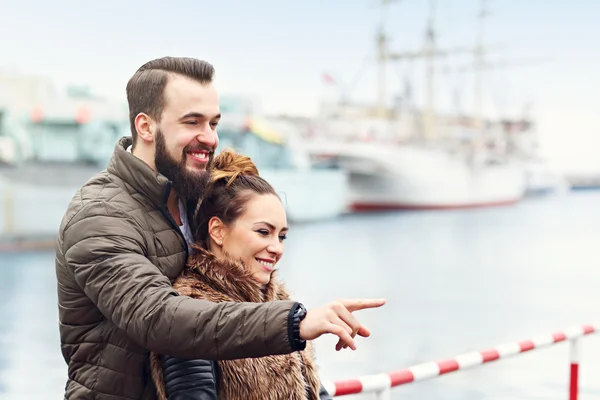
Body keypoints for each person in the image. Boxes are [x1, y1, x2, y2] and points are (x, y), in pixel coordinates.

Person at [55, 56, 385, 399]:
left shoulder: (197, 194)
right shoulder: (97, 215)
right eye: (192, 122)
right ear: (145, 127)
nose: (209, 138)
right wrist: (294, 323)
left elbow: (240, 281)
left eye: (213, 123)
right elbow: (158, 317)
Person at [150, 149, 333, 399]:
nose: (277, 248)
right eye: (263, 232)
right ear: (218, 231)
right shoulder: (189, 311)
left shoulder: (281, 303)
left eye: (282, 236)